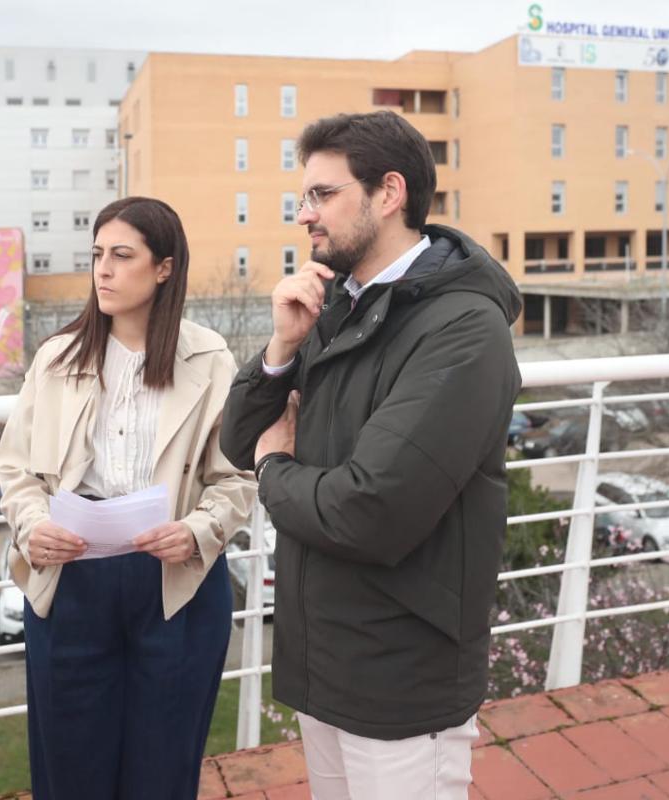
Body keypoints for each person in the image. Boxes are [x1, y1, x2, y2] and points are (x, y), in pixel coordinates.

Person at [219, 111, 522, 799]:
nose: (305, 216)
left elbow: (368, 509)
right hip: (329, 656)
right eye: (304, 198)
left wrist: (276, 470)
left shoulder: (464, 329)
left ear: (388, 193)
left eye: (322, 195)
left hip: (403, 675)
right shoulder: (338, 307)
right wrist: (280, 350)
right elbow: (239, 442)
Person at [0, 196, 255, 800]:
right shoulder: (57, 358)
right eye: (96, 256)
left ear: (163, 267)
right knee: (69, 770)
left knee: (163, 771)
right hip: (71, 579)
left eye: (121, 255)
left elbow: (238, 475)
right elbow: (14, 467)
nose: (103, 271)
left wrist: (197, 530)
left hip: (174, 583)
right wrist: (33, 525)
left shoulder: (209, 358)